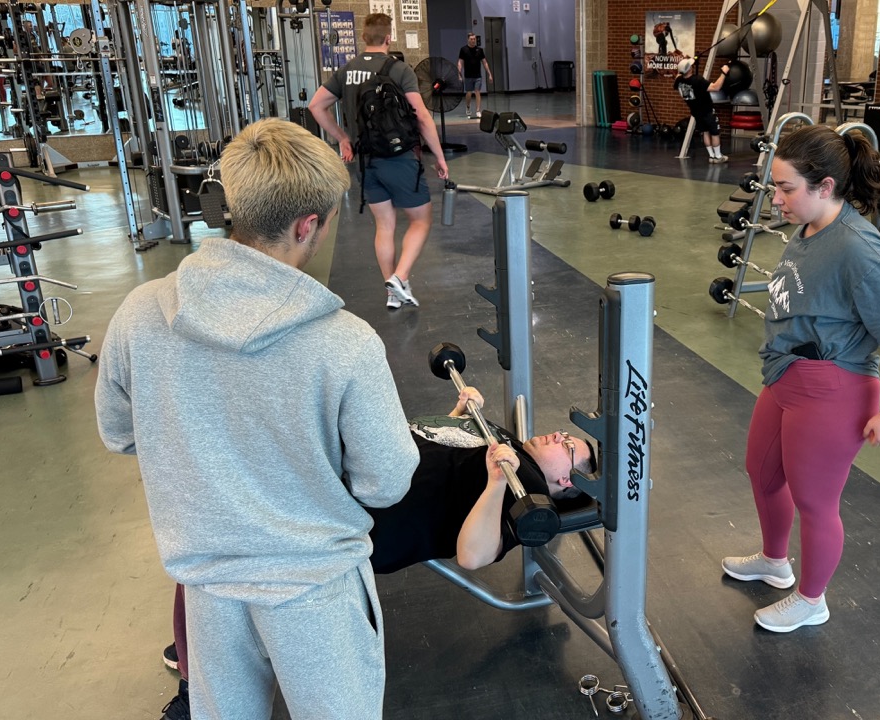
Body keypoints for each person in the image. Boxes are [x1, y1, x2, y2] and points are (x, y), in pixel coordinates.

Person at [95, 118, 421, 720]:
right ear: (307, 225)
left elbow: (118, 433)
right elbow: (387, 481)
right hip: (317, 592)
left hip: (208, 592)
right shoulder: (345, 342)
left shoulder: (140, 313)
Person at [157, 386, 596, 718]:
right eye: (568, 435)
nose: (560, 434)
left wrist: (498, 483)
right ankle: (201, 650)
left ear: (568, 482)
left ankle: (196, 688)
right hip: (348, 481)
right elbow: (437, 453)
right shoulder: (512, 448)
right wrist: (457, 416)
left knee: (222, 540)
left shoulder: (526, 494)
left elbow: (472, 555)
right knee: (222, 535)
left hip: (355, 521)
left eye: (570, 447)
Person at [721, 125, 880, 633]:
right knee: (762, 473)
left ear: (826, 186)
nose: (776, 198)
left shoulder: (862, 250)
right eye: (775, 186)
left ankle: (812, 600)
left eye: (786, 188)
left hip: (833, 387)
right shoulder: (809, 227)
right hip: (784, 376)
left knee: (814, 501)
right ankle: (775, 561)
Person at [308, 13, 450, 311]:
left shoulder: (346, 71)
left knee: (384, 225)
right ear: (389, 38)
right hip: (399, 158)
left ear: (363, 38)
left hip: (366, 161)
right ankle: (399, 277)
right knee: (421, 220)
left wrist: (342, 138)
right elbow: (423, 117)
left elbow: (316, 105)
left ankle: (392, 293)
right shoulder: (399, 69)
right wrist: (439, 156)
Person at [674, 57, 728, 163]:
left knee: (705, 132)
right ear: (690, 69)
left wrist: (683, 67)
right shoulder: (697, 80)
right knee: (715, 133)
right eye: (690, 66)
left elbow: (679, 75)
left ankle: (711, 156)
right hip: (707, 111)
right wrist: (724, 73)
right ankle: (718, 156)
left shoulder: (678, 81)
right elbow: (716, 87)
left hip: (695, 112)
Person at [457, 33, 492, 119]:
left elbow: (484, 62)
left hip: (477, 76)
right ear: (468, 39)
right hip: (468, 75)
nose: (473, 41)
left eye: (474, 39)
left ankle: (478, 110)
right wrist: (459, 73)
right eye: (471, 39)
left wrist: (489, 74)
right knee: (469, 92)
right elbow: (460, 62)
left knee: (477, 92)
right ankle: (468, 107)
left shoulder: (479, 50)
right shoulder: (463, 49)